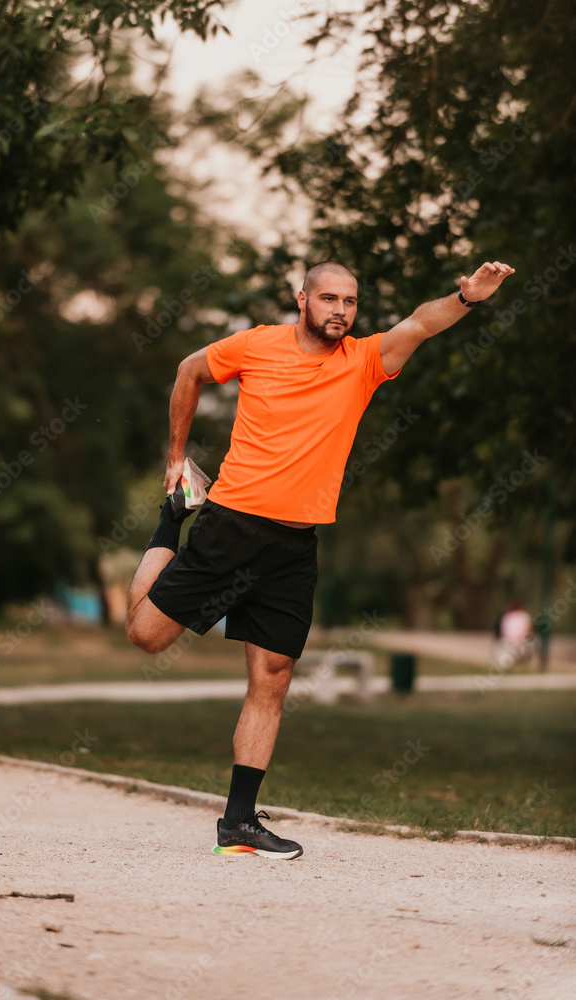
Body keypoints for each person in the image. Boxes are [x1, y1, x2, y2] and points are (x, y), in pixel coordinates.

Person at [126, 258, 515, 859]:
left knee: (273, 679)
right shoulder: (255, 346)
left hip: (294, 545)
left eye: (351, 302)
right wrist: (176, 458)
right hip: (231, 525)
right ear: (301, 297)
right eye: (329, 298)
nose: (340, 310)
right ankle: (169, 523)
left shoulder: (363, 362)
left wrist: (465, 298)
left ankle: (237, 823)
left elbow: (418, 324)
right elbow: (187, 371)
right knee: (147, 636)